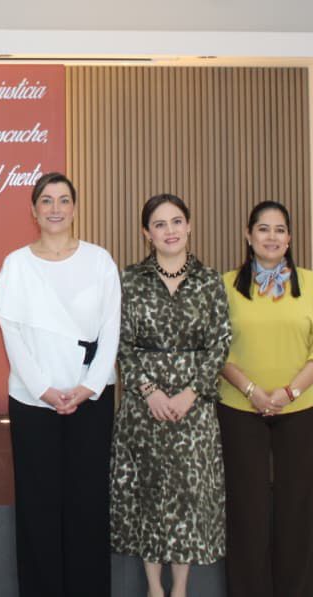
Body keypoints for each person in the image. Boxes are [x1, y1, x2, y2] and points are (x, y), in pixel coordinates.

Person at [0, 171, 121, 597]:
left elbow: (111, 328)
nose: (55, 208)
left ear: (75, 208)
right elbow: (12, 333)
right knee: (38, 505)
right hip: (33, 402)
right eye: (46, 200)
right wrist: (43, 390)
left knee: (87, 503)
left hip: (91, 401)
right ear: (33, 210)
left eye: (63, 200)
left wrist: (89, 386)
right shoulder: (16, 264)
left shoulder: (99, 260)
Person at [217, 199, 313, 597]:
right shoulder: (225, 285)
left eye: (280, 230)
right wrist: (252, 391)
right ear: (248, 235)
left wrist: (289, 393)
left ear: (289, 238)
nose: (271, 237)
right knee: (247, 511)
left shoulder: (311, 284)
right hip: (240, 409)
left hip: (302, 410)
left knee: (298, 511)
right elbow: (216, 349)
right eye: (263, 229)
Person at [110, 194, 230, 597]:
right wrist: (149, 391)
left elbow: (220, 343)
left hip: (194, 407)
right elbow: (121, 343)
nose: (170, 231)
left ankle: (179, 588)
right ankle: (153, 588)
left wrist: (190, 393)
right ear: (147, 233)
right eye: (159, 224)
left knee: (187, 496)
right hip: (144, 407)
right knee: (149, 493)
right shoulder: (129, 279)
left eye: (177, 221)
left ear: (189, 225)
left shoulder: (209, 280)